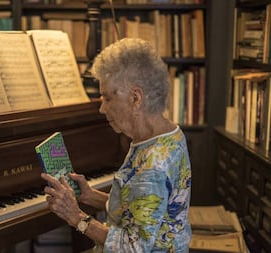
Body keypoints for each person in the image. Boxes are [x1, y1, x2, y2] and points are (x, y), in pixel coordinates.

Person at [41, 38, 192, 252]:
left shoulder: (153, 164)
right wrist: (90, 196)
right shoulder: (167, 135)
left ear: (135, 98)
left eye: (107, 98)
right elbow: (142, 210)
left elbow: (133, 247)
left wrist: (77, 217)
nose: (102, 109)